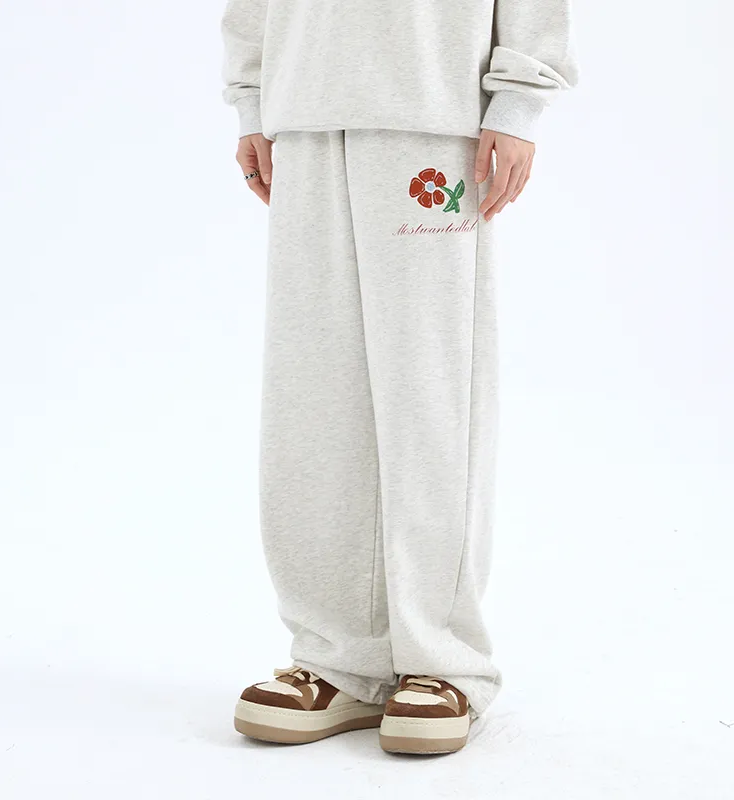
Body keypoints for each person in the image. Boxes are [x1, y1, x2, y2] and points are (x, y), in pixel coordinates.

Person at [221, 0, 577, 755]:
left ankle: (444, 661)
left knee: (429, 391)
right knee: (313, 398)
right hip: (304, 112)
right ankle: (338, 658)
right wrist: (253, 94)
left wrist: (518, 99)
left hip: (433, 107)